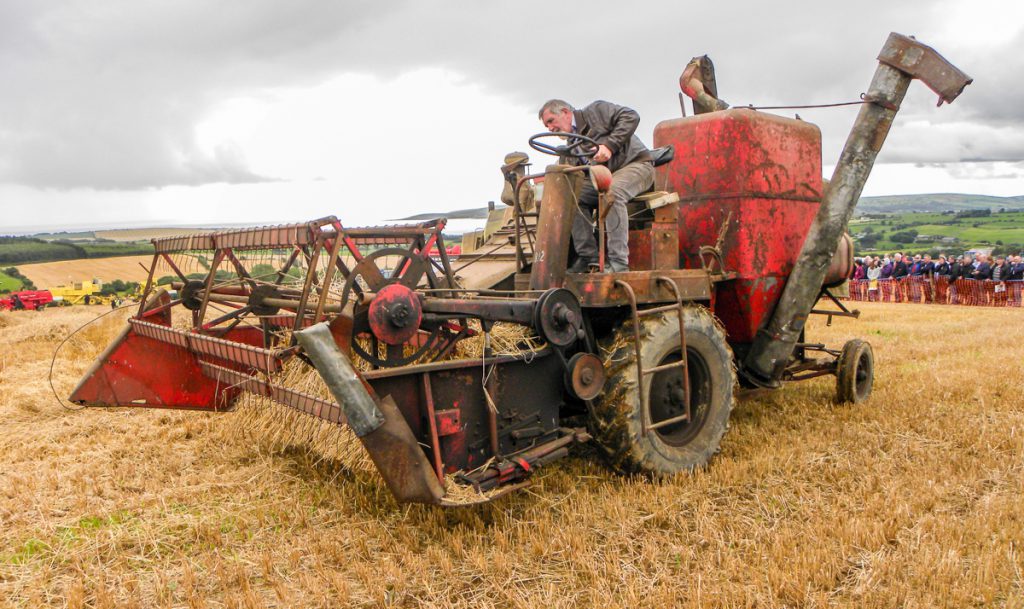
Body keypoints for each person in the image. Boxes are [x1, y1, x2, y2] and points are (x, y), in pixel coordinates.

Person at [538, 99, 655, 273]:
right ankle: (589, 258)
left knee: (612, 192)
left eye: (551, 121)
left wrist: (609, 146)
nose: (550, 128)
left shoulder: (595, 112)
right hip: (601, 177)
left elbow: (631, 116)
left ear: (565, 112)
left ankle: (619, 262)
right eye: (546, 125)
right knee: (571, 197)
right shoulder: (571, 144)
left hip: (635, 165)